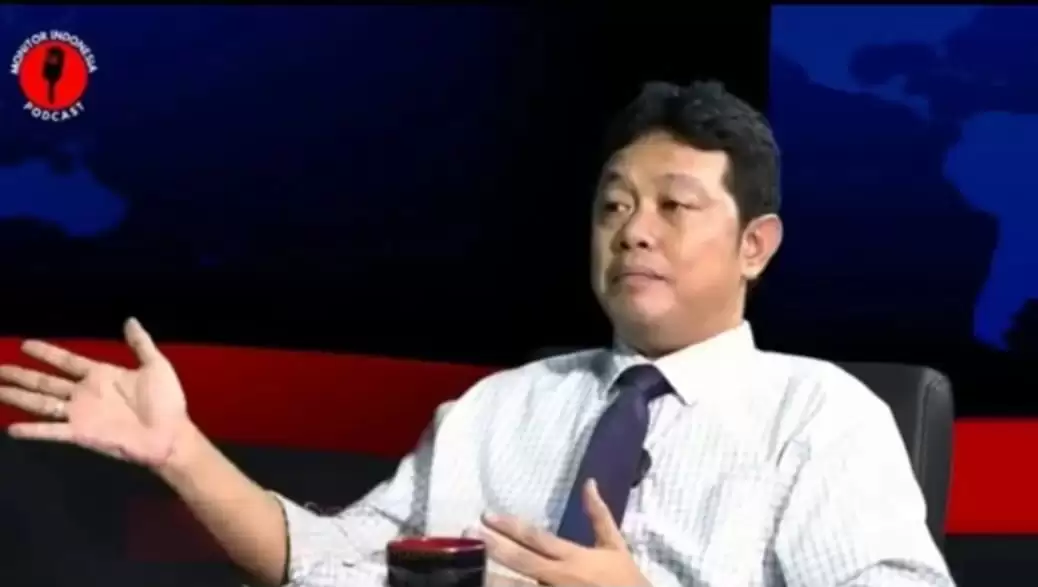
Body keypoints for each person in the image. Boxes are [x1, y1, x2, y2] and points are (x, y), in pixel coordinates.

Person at [0, 81, 954, 587]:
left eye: (674, 204)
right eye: (614, 204)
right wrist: (181, 451)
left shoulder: (821, 417)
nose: (634, 230)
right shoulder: (498, 407)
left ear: (755, 245)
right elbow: (331, 562)